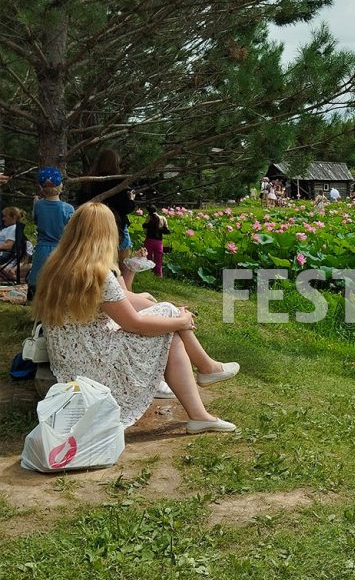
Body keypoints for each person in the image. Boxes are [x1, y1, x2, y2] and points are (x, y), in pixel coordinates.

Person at [34, 202, 238, 433]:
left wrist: (167, 310)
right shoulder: (97, 273)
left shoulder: (56, 265)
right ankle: (206, 376)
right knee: (170, 325)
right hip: (94, 362)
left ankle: (204, 392)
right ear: (107, 233)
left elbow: (122, 300)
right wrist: (180, 320)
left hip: (71, 359)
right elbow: (134, 323)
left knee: (167, 314)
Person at [78, 149, 136, 276]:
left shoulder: (89, 181)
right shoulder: (119, 182)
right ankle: (122, 284)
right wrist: (131, 200)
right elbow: (125, 207)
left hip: (92, 224)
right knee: (122, 260)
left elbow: (81, 202)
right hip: (116, 224)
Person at [27, 167, 74, 300]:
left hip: (42, 247)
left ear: (41, 187)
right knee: (59, 279)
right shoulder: (68, 208)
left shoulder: (38, 205)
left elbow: (35, 219)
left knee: (37, 278)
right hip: (61, 248)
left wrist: (35, 201)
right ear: (60, 185)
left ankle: (34, 306)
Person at [142, 205, 170, 277]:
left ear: (149, 212)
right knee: (159, 260)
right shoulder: (163, 218)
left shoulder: (149, 218)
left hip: (149, 240)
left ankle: (148, 274)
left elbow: (144, 229)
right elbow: (167, 230)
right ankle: (158, 275)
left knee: (148, 258)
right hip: (159, 242)